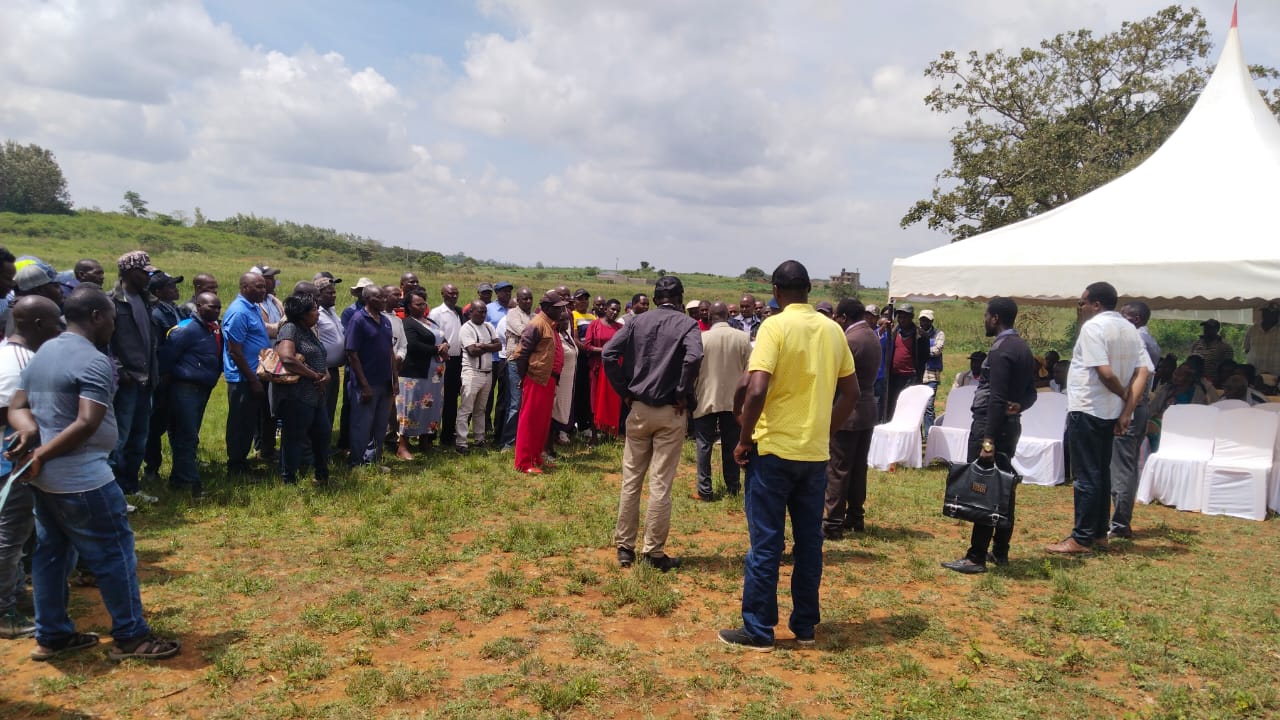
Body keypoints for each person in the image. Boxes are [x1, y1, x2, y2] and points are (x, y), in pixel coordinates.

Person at [7, 287, 180, 662]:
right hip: (83, 480)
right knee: (115, 555)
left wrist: (26, 433)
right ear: (98, 317)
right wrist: (41, 452)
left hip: (46, 481)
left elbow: (17, 406)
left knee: (51, 556)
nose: (114, 327)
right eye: (113, 320)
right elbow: (87, 422)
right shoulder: (93, 360)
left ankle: (52, 636)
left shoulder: (44, 353)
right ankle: (132, 637)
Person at [719, 261, 856, 651]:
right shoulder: (833, 330)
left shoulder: (774, 327)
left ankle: (759, 631)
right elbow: (852, 394)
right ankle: (806, 628)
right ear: (809, 290)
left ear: (777, 291)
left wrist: (744, 438)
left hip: (774, 452)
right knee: (810, 543)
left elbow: (756, 388)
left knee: (766, 544)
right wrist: (824, 430)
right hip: (813, 456)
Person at [603, 276, 704, 571]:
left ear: (655, 297)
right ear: (680, 298)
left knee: (631, 480)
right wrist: (682, 391)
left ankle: (625, 547)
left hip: (638, 409)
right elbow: (695, 356)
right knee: (660, 484)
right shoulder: (687, 324)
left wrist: (624, 391)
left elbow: (609, 353)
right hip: (670, 412)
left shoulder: (636, 321)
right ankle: (653, 552)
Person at [1046, 282, 1151, 555]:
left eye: (1082, 303)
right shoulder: (1130, 329)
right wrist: (1127, 408)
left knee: (1086, 476)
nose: (1080, 308)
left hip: (1089, 407)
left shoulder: (1093, 328)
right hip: (1112, 411)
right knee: (1101, 473)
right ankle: (1099, 533)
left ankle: (1081, 538)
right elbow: (1144, 371)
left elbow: (1103, 372)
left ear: (1096, 304)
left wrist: (1123, 394)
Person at [941, 297, 1038, 573]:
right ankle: (1001, 550)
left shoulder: (1000, 350)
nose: (984, 319)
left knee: (984, 489)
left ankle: (976, 557)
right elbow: (1031, 393)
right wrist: (1020, 405)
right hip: (1010, 425)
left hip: (990, 426)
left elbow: (995, 398)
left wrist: (988, 441)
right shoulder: (1022, 348)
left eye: (986, 315)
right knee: (1003, 487)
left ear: (995, 318)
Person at [0, 296, 62, 639]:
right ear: (38, 324)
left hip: (18, 463)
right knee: (9, 538)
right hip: (12, 465)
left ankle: (13, 596)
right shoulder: (17, 361)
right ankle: (4, 611)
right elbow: (7, 410)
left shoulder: (18, 355)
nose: (60, 329)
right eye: (55, 323)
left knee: (18, 535)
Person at [824, 298, 881, 538]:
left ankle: (833, 523)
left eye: (837, 317)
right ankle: (855, 516)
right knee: (858, 467)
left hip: (847, 412)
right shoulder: (873, 336)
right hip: (867, 410)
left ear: (844, 318)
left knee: (838, 468)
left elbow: (835, 377)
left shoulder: (849, 340)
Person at [108, 251, 159, 501]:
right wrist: (120, 371)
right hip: (126, 382)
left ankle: (131, 487)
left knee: (139, 438)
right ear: (129, 273)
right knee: (119, 438)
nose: (148, 276)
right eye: (144, 272)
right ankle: (114, 491)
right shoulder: (112, 301)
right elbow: (105, 342)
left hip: (146, 380)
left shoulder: (146, 300)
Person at [159, 292, 221, 498]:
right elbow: (166, 358)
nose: (216, 311)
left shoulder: (211, 329)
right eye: (211, 307)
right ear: (198, 305)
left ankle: (179, 479)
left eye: (218, 307)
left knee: (188, 435)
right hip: (185, 388)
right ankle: (189, 483)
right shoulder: (186, 329)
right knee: (186, 435)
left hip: (201, 389)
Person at [1109, 301, 1160, 539]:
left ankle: (1120, 524)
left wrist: (1125, 411)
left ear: (1136, 319)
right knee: (1125, 466)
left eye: (1124, 317)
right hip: (1135, 408)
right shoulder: (1146, 340)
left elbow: (1137, 380)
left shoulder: (1139, 341)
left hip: (1131, 408)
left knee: (1122, 468)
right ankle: (1120, 520)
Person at [692, 302, 751, 501]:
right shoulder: (743, 339)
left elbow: (693, 370)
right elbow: (750, 371)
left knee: (703, 444)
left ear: (709, 316)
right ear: (727, 315)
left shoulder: (701, 338)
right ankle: (733, 487)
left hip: (706, 397)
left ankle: (705, 490)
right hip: (734, 401)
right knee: (731, 443)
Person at [272, 294, 331, 485]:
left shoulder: (309, 331)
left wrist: (326, 374)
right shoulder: (290, 329)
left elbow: (320, 357)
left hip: (316, 396)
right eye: (313, 309)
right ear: (302, 313)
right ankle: (288, 479)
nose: (317, 313)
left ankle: (321, 476)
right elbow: (287, 358)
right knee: (294, 438)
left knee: (322, 435)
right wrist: (314, 376)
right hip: (297, 396)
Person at [512, 291, 567, 474]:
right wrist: (524, 377)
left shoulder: (550, 325)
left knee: (542, 423)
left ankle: (536, 457)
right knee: (529, 421)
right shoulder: (536, 325)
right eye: (557, 308)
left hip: (548, 380)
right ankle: (524, 462)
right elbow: (521, 354)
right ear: (546, 308)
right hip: (536, 379)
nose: (562, 311)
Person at [222, 272, 271, 476]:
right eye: (258, 287)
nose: (263, 290)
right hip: (243, 379)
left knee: (249, 421)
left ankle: (242, 461)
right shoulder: (239, 311)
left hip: (254, 376)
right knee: (240, 423)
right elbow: (235, 350)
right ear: (244, 288)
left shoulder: (253, 308)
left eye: (263, 286)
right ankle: (236, 466)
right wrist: (252, 379)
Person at [141, 271, 185, 487]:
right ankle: (151, 467)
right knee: (155, 425)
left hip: (176, 375)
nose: (175, 289)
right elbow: (159, 348)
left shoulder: (175, 310)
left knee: (173, 422)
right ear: (157, 292)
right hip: (164, 377)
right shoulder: (157, 315)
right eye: (170, 286)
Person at [346, 285, 394, 468]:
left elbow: (390, 351)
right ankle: (356, 462)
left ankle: (373, 461)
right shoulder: (358, 320)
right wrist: (364, 384)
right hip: (367, 383)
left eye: (384, 297)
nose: (384, 300)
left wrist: (394, 379)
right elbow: (352, 354)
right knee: (362, 425)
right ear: (367, 299)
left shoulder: (385, 320)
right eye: (379, 298)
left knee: (380, 425)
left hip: (385, 381)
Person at [396, 287, 445, 460]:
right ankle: (402, 446)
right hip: (415, 375)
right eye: (418, 304)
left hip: (434, 376)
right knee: (410, 409)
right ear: (408, 306)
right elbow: (413, 345)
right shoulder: (407, 323)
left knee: (430, 409)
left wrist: (444, 346)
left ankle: (425, 441)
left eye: (423, 303)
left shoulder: (430, 322)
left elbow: (441, 338)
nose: (422, 306)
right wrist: (436, 349)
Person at [457, 301, 501, 453]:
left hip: (487, 373)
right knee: (466, 408)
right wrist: (488, 347)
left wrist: (482, 345)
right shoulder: (466, 328)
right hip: (472, 373)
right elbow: (472, 351)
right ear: (470, 313)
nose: (482, 315)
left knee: (481, 409)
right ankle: (461, 442)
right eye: (479, 312)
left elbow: (499, 346)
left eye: (484, 312)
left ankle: (479, 438)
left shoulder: (489, 326)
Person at [584, 299, 625, 438]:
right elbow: (587, 346)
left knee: (612, 400)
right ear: (606, 309)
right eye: (612, 309)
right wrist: (606, 351)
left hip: (613, 369)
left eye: (617, 311)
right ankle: (594, 434)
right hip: (597, 367)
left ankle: (609, 432)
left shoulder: (619, 328)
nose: (614, 313)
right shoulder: (595, 325)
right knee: (594, 400)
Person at [429, 284, 464, 447]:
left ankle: (447, 435)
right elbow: (432, 335)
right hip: (441, 360)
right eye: (450, 293)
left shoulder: (459, 311)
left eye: (456, 293)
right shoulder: (436, 313)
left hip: (457, 360)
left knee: (451, 399)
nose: (454, 296)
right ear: (443, 293)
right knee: (436, 398)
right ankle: (429, 435)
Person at [500, 288, 534, 450]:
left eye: (530, 298)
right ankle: (507, 442)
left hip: (530, 363)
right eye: (524, 299)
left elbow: (533, 333)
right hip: (515, 361)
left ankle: (521, 439)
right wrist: (534, 331)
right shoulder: (513, 313)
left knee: (526, 402)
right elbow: (525, 333)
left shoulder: (534, 316)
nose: (528, 301)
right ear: (518, 300)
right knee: (515, 403)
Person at [312, 277, 346, 431]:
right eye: (329, 293)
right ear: (318, 294)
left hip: (333, 369)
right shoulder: (315, 314)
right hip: (321, 370)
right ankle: (316, 446)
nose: (334, 295)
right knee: (321, 407)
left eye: (334, 292)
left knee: (330, 407)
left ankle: (324, 443)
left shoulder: (331, 311)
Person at [883, 304, 926, 423]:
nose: (901, 320)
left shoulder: (920, 335)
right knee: (893, 405)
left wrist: (917, 376)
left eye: (905, 317)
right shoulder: (893, 332)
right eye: (900, 317)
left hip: (910, 377)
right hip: (894, 376)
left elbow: (923, 357)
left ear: (912, 317)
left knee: (908, 407)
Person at [487, 281, 513, 442]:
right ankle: (485, 425)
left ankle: (499, 426)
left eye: (509, 291)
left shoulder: (513, 309)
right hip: (491, 357)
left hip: (504, 359)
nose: (507, 294)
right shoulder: (489, 309)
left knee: (502, 395)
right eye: (504, 291)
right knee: (488, 394)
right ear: (497, 292)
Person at [570, 289, 596, 440]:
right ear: (574, 301)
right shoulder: (573, 315)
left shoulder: (592, 317)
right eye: (580, 299)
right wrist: (588, 349)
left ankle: (585, 424)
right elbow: (575, 337)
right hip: (579, 356)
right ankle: (575, 423)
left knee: (587, 391)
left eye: (586, 299)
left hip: (590, 357)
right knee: (577, 391)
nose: (583, 302)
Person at [918, 309, 945, 429]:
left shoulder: (939, 334)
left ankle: (929, 435)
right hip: (917, 374)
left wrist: (921, 351)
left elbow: (937, 350)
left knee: (928, 406)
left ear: (932, 321)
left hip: (931, 375)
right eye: (922, 320)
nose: (923, 322)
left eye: (926, 320)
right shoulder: (916, 332)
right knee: (917, 405)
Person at [1190, 319, 1233, 388]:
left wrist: (1219, 382)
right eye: (1205, 327)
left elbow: (1227, 369)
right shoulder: (1196, 344)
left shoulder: (1224, 347)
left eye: (1209, 328)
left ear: (1217, 330)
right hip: (1195, 382)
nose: (1206, 330)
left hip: (1214, 383)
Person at [1244, 303, 1280, 376]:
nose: (1268, 315)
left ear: (1278, 314)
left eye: (1272, 313)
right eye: (1265, 312)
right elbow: (1246, 349)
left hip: (1276, 375)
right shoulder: (1253, 329)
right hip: (1254, 373)